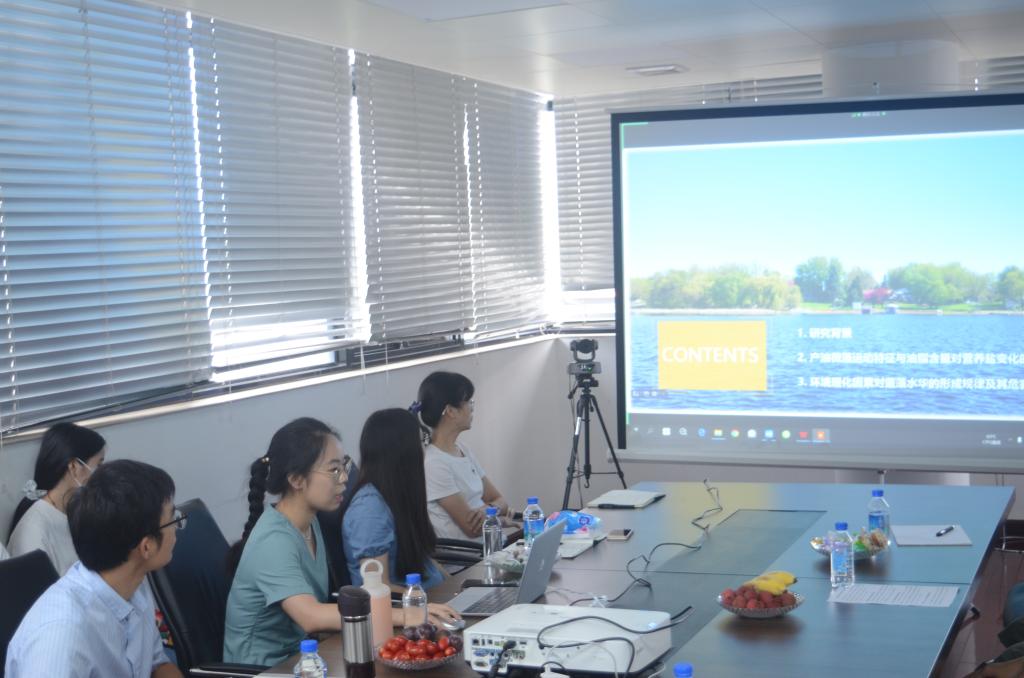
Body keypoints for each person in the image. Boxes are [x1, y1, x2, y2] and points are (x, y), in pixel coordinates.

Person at [224, 417, 458, 667]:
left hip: (306, 657)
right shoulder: (273, 540)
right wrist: (406, 615)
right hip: (266, 668)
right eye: (334, 470)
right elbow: (311, 616)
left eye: (343, 465)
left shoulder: (309, 523)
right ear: (296, 480)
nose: (345, 477)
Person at [5, 459, 183, 678]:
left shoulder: (136, 584)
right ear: (146, 546)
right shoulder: (60, 638)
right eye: (172, 518)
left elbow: (156, 663)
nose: (177, 526)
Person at [343, 408, 448, 590]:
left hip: (435, 597)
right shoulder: (369, 509)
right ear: (403, 450)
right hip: (411, 604)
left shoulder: (395, 494)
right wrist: (421, 600)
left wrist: (460, 589)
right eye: (422, 441)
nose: (425, 449)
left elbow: (425, 562)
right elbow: (378, 587)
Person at [412, 372, 509, 539]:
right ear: (451, 411)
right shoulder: (434, 463)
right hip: (470, 553)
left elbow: (501, 500)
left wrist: (488, 510)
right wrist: (498, 516)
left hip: (494, 544)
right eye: (468, 402)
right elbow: (472, 529)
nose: (472, 408)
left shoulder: (463, 449)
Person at [8, 422, 106, 575]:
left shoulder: (76, 511)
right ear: (74, 467)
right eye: (98, 465)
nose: (103, 473)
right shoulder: (33, 530)